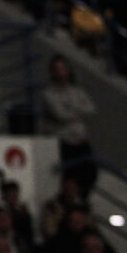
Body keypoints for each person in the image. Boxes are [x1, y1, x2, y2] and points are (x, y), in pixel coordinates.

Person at [41, 54, 97, 196]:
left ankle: (83, 198)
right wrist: (77, 112)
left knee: (91, 171)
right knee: (68, 175)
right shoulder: (49, 93)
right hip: (63, 141)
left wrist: (70, 109)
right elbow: (61, 115)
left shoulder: (77, 91)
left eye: (63, 68)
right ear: (52, 72)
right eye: (57, 69)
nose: (61, 72)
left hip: (80, 139)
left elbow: (91, 109)